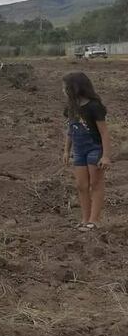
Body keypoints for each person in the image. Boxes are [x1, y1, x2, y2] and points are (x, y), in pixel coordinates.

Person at [63, 72, 111, 232]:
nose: (64, 89)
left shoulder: (94, 107)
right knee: (81, 185)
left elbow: (104, 132)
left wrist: (105, 156)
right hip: (79, 151)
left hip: (94, 149)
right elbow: (70, 130)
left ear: (75, 87)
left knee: (95, 184)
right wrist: (66, 151)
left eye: (66, 86)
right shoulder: (70, 108)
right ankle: (85, 219)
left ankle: (94, 220)